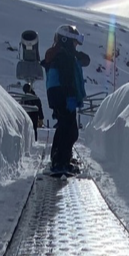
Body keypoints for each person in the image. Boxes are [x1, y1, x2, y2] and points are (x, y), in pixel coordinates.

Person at [42, 23, 87, 176]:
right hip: (63, 95)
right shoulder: (64, 56)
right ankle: (61, 163)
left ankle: (58, 159)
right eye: (74, 42)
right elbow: (67, 78)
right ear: (66, 40)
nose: (75, 46)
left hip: (57, 95)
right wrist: (70, 97)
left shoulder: (60, 54)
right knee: (70, 131)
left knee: (63, 127)